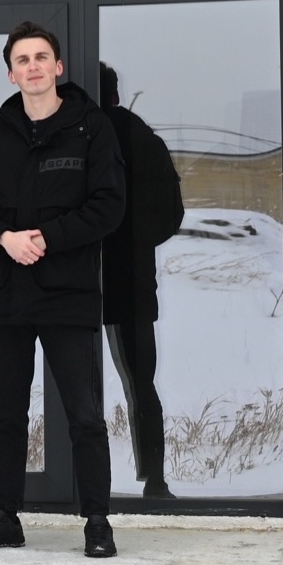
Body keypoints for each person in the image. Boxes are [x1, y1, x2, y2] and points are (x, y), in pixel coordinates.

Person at [0, 21, 126, 558]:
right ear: (11, 74)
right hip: (7, 293)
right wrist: (4, 238)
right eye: (22, 60)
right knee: (7, 415)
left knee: (84, 414)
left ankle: (97, 521)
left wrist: (47, 238)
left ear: (58, 67)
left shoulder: (91, 130)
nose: (32, 67)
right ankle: (5, 517)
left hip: (68, 294)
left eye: (41, 57)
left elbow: (108, 206)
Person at [97, 63, 186, 500]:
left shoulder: (81, 139)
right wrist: (133, 240)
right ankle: (155, 478)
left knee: (76, 387)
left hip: (82, 280)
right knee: (141, 383)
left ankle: (79, 484)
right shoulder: (145, 140)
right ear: (116, 94)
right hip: (133, 280)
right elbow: (172, 213)